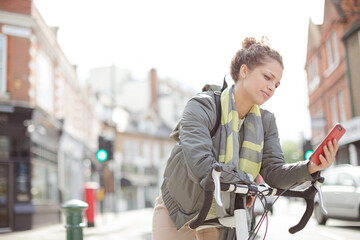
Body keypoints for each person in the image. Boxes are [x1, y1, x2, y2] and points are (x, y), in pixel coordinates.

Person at [152, 37, 338, 240]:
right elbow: (201, 166)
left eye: (276, 84)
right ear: (244, 71)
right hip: (181, 207)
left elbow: (273, 172)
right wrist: (248, 182)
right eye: (267, 77)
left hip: (225, 212)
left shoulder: (266, 122)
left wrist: (310, 167)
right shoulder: (202, 106)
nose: (272, 88)